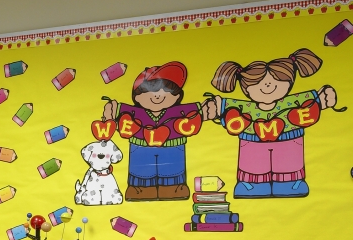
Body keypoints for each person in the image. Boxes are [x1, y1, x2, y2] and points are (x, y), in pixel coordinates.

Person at [201, 48, 338, 199]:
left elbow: (312, 102)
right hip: (252, 142)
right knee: (253, 167)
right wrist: (216, 107)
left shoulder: (294, 101)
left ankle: (291, 182)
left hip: (289, 140)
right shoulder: (242, 107)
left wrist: (321, 100)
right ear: (246, 89)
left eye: (276, 81)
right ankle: (252, 184)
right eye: (259, 83)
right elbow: (225, 109)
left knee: (289, 165)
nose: (268, 86)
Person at [101, 62, 204, 202]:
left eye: (167, 91)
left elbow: (198, 112)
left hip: (172, 145)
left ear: (177, 96)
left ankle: (174, 187)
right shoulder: (132, 111)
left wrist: (206, 111)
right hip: (141, 146)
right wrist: (110, 113)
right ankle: (140, 189)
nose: (158, 96)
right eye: (150, 91)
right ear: (137, 96)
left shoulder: (179, 111)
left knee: (172, 169)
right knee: (141, 170)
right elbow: (117, 114)